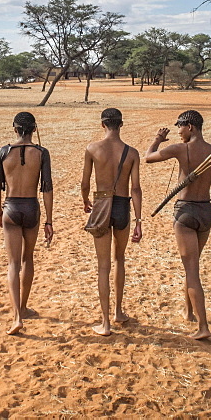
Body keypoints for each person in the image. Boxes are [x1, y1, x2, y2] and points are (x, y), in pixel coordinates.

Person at [145, 110, 211, 340]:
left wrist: (157, 139)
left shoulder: (179, 149)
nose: (178, 132)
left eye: (180, 127)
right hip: (206, 212)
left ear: (191, 126)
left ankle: (203, 327)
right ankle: (189, 312)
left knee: (192, 270)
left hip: (185, 213)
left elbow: (148, 157)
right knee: (192, 266)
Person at [0, 111, 54, 335]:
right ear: (34, 130)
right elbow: (46, 187)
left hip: (11, 207)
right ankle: (24, 308)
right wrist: (49, 219)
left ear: (14, 129)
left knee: (13, 264)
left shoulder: (3, 152)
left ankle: (17, 316)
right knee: (28, 258)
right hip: (32, 208)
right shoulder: (42, 152)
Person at [80, 108, 143, 336]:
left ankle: (105, 323)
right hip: (122, 206)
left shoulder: (92, 149)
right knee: (120, 259)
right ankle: (118, 312)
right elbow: (136, 188)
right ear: (121, 124)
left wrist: (86, 200)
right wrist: (138, 220)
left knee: (103, 266)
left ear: (102, 124)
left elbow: (85, 182)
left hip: (101, 203)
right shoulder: (132, 153)